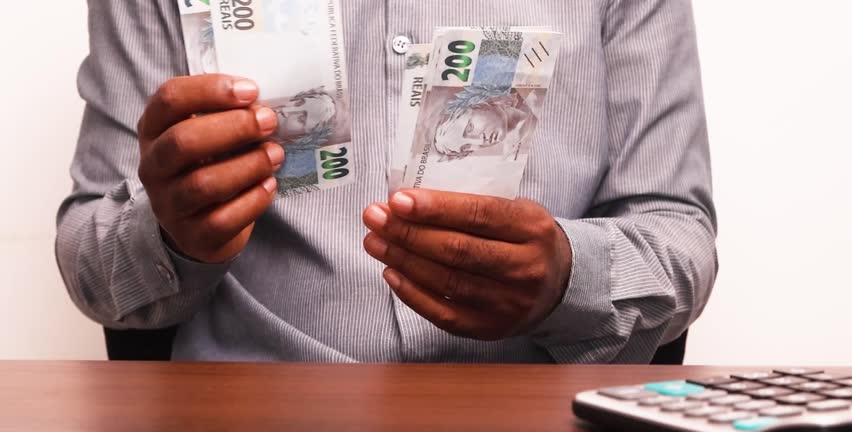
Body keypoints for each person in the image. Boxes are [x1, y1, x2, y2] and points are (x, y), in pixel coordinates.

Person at [56, 0, 717, 363]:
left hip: (532, 431)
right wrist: (171, 232)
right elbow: (93, 266)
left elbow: (678, 235)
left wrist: (569, 278)